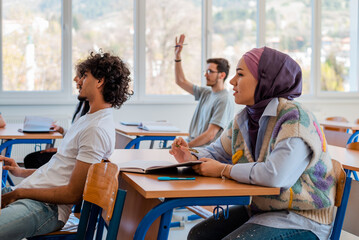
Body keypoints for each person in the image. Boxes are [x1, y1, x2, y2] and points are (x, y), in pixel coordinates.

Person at [170, 47, 336, 240]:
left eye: (240, 74)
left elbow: (275, 176)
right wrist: (191, 156)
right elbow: (217, 152)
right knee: (198, 234)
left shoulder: (295, 118)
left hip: (301, 217)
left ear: (266, 80)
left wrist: (224, 170)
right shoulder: (245, 118)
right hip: (261, 209)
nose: (232, 81)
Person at [0, 51, 132, 240]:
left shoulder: (96, 128)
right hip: (33, 196)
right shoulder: (88, 119)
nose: (77, 80)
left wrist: (19, 192)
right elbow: (60, 170)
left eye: (85, 75)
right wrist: (21, 173)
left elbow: (73, 194)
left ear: (99, 81)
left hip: (46, 209)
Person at [175, 34, 234, 147]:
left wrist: (187, 147)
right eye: (206, 71)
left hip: (204, 150)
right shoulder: (206, 92)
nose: (206, 75)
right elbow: (181, 81)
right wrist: (177, 57)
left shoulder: (224, 99)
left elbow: (210, 135)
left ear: (222, 75)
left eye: (210, 72)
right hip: (191, 144)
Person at [23, 74, 90, 169]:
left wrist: (59, 150)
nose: (75, 79)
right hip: (69, 151)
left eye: (79, 76)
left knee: (32, 160)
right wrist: (60, 129)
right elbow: (74, 135)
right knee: (31, 159)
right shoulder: (81, 105)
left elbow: (79, 144)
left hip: (71, 155)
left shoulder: (90, 112)